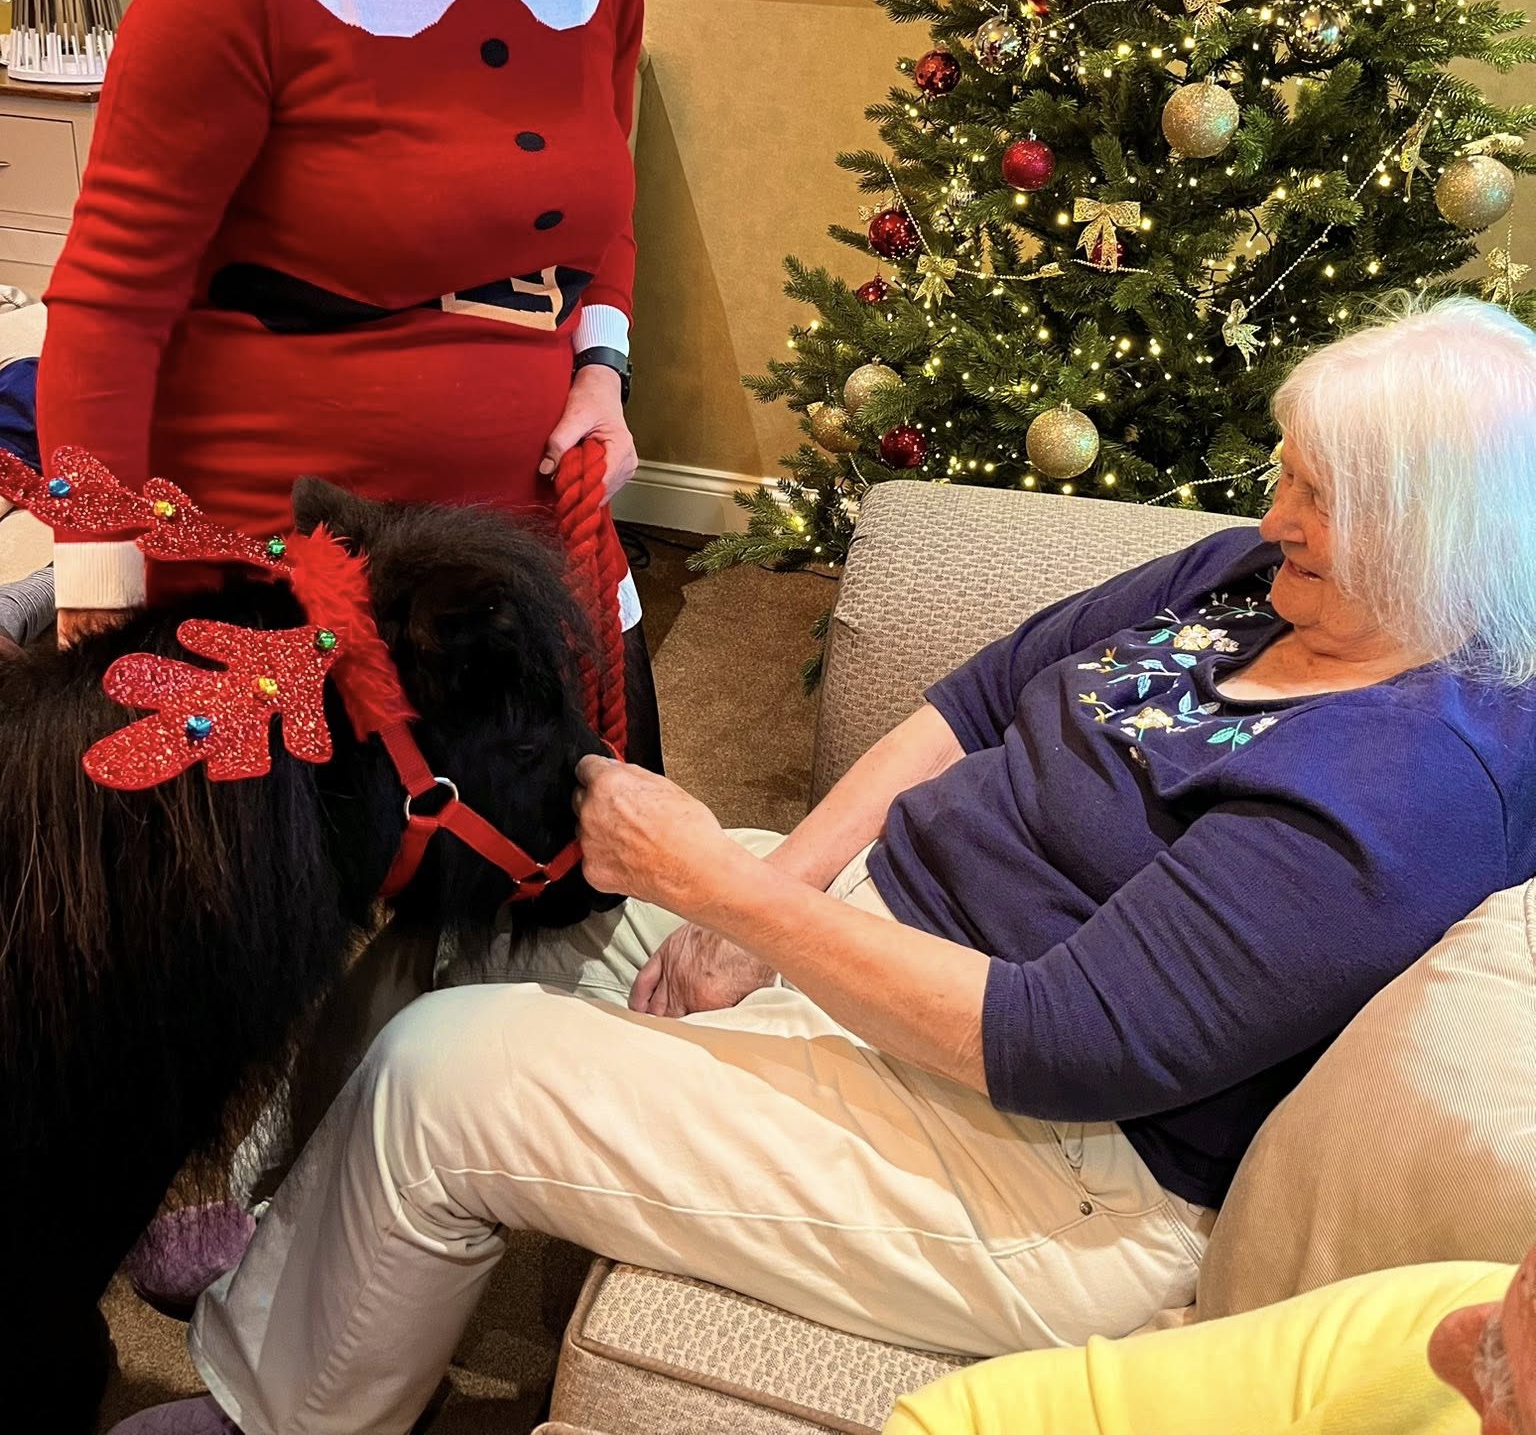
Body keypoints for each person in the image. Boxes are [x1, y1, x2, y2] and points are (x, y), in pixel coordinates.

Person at [114, 296, 1536, 1435]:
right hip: (881, 930)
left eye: (1322, 496)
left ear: (1440, 535)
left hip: (1039, 1162)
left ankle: (277, 1413)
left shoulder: (1407, 783)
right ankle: (297, 1256)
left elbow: (1061, 1039)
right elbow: (980, 695)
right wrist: (778, 892)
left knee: (446, 1073)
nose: (1278, 515)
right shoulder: (1241, 579)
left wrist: (728, 895)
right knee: (500, 897)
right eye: (1288, 472)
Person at [36, 0, 734, 771]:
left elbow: (597, 214)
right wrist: (98, 577)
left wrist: (603, 371)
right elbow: (111, 293)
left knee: (583, 835)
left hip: (522, 531)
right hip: (284, 549)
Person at [884, 1239, 1535, 1433]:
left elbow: (1051, 1032)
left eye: (1509, 1388)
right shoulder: (1451, 1306)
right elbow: (972, 1417)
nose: (1446, 1344)